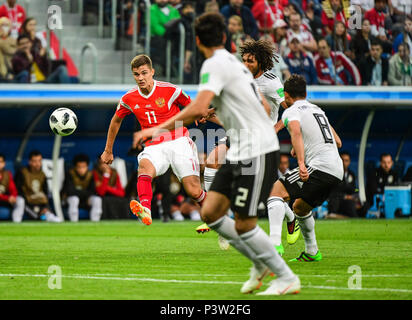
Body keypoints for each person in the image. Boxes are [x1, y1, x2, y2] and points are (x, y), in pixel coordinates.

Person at [133, 12, 301, 296]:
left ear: (197, 41)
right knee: (210, 211)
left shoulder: (213, 65)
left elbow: (197, 109)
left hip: (257, 148)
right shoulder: (236, 66)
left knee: (244, 222)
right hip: (240, 145)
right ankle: (260, 265)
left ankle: (285, 276)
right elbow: (258, 102)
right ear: (224, 38)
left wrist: (155, 130)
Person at [101, 54, 207, 226]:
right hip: (154, 145)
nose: (140, 78)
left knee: (194, 191)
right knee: (144, 167)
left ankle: (218, 216)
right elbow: (116, 121)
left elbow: (193, 107)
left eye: (144, 73)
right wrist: (108, 150)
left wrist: (201, 116)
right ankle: (145, 210)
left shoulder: (171, 90)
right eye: (136, 74)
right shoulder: (128, 98)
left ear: (152, 72)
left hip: (179, 140)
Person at [270, 74, 343, 262]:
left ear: (286, 95)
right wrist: (301, 147)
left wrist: (301, 163)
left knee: (275, 192)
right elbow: (338, 141)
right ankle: (312, 252)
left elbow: (295, 132)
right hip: (336, 169)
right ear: (305, 92)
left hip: (320, 167)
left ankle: (274, 245)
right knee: (299, 207)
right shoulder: (317, 110)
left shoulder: (291, 111)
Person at [13, 150, 61, 222]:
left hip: (40, 200)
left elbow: (45, 191)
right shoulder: (22, 172)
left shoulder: (42, 174)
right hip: (27, 201)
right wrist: (28, 198)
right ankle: (41, 217)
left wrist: (46, 206)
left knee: (46, 206)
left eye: (39, 161)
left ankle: (47, 214)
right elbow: (18, 190)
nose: (38, 164)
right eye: (35, 161)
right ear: (30, 162)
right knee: (21, 201)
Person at [63, 154, 103, 222]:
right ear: (75, 167)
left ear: (87, 166)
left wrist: (81, 193)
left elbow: (93, 191)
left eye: (83, 167)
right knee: (75, 199)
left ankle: (95, 223)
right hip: (71, 199)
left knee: (97, 200)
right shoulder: (70, 174)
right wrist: (85, 193)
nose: (81, 169)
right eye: (79, 167)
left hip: (86, 200)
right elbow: (70, 191)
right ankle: (74, 223)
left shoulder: (90, 175)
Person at [327, 151, 358, 219]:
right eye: (342, 160)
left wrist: (356, 195)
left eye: (346, 160)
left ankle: (344, 217)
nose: (344, 163)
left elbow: (354, 189)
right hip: (337, 200)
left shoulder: (351, 174)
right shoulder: (334, 174)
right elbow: (333, 191)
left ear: (349, 162)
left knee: (361, 204)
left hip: (349, 200)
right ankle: (333, 215)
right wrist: (345, 196)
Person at [0, 153, 24, 219]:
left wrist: (13, 197)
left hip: (4, 199)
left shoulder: (7, 174)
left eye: (0, 162)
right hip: (4, 198)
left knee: (20, 200)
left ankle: (16, 223)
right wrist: (7, 198)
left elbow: (13, 189)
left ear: (4, 163)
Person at [0, 16, 16, 82]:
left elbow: (12, 51)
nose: (4, 27)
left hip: (10, 68)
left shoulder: (13, 40)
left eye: (6, 25)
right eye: (2, 25)